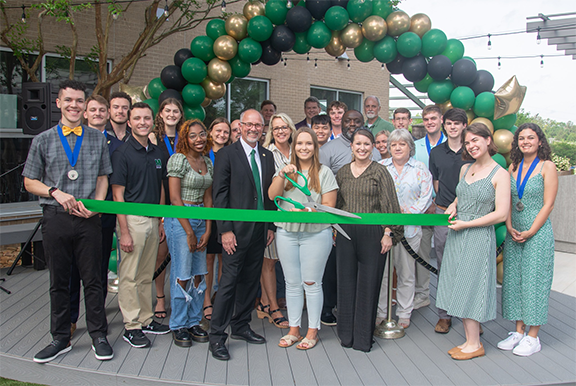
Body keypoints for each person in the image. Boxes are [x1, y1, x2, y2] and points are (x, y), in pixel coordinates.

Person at [23, 80, 113, 363]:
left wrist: (96, 208)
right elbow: (29, 181)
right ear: (59, 103)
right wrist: (55, 192)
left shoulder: (98, 138)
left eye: (78, 100)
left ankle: (99, 335)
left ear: (85, 106)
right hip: (56, 218)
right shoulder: (43, 139)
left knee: (94, 280)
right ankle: (60, 338)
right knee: (59, 281)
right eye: (68, 100)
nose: (74, 105)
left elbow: (103, 177)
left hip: (88, 220)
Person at [436, 122, 510, 360]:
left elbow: (501, 214)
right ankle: (469, 339)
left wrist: (467, 223)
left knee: (471, 285)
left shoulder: (500, 174)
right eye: (468, 142)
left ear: (488, 140)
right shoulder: (465, 169)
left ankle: (475, 343)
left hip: (478, 235)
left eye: (476, 140)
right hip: (458, 233)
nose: (471, 145)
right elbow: (461, 194)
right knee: (456, 284)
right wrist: (454, 204)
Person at [209, 109, 276, 361]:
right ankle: (216, 336)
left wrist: (270, 225)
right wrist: (225, 229)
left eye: (258, 125)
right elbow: (220, 194)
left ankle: (240, 326)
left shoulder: (267, 155)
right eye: (248, 124)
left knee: (250, 282)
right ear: (240, 126)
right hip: (234, 233)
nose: (253, 129)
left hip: (260, 232)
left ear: (263, 128)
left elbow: (268, 194)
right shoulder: (226, 154)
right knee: (228, 284)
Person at [269, 127, 338, 350]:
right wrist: (282, 175)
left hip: (316, 234)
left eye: (308, 144)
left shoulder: (324, 172)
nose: (304, 148)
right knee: (292, 283)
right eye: (299, 143)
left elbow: (329, 207)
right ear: (293, 146)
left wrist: (308, 213)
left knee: (311, 282)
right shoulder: (285, 170)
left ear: (315, 147)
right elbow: (272, 196)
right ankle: (294, 330)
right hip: (287, 232)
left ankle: (312, 331)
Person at [335, 128, 403, 352]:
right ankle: (346, 336)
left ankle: (363, 338)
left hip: (373, 235)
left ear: (373, 147)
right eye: (358, 144)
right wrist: (335, 229)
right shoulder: (343, 172)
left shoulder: (380, 172)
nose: (362, 148)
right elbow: (337, 206)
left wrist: (388, 233)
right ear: (351, 147)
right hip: (345, 234)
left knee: (368, 285)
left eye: (367, 144)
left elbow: (391, 206)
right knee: (345, 284)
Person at [111, 102, 171, 349]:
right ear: (129, 122)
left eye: (147, 118)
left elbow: (160, 188)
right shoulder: (122, 154)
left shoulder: (158, 153)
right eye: (137, 118)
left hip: (153, 218)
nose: (143, 122)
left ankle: (147, 319)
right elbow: (118, 195)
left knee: (146, 274)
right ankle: (132, 325)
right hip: (132, 220)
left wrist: (160, 220)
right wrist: (124, 231)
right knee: (130, 275)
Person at [498, 123, 558, 357]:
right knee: (514, 282)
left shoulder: (547, 167)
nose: (525, 142)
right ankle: (518, 332)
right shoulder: (513, 166)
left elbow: (548, 204)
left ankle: (533, 336)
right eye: (521, 138)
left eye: (530, 138)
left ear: (540, 141)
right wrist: (510, 225)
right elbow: (510, 200)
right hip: (515, 233)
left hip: (537, 233)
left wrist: (531, 230)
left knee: (534, 283)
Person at [318, 109, 381, 326]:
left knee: (364, 276)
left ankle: (361, 318)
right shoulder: (328, 150)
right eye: (348, 121)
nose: (352, 124)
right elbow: (323, 184)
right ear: (340, 123)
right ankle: (329, 309)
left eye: (357, 121)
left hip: (370, 229)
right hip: (340, 223)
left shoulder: (377, 159)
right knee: (335, 271)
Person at [67, 95, 123, 338]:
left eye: (102, 110)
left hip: (104, 213)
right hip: (74, 212)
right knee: (71, 269)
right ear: (85, 114)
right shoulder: (71, 140)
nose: (99, 113)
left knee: (99, 268)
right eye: (94, 110)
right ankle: (69, 318)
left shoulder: (116, 144)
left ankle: (96, 316)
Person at [377, 129, 433, 328]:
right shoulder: (380, 167)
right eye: (393, 144)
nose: (397, 148)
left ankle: (404, 313)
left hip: (410, 230)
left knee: (407, 273)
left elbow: (426, 197)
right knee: (383, 273)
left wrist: (407, 212)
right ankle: (382, 311)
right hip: (384, 231)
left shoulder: (420, 169)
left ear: (410, 147)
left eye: (402, 144)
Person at [164, 119, 213, 347]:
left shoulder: (206, 162)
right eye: (193, 135)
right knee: (182, 273)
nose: (198, 139)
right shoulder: (178, 160)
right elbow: (174, 199)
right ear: (185, 138)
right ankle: (178, 324)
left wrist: (208, 228)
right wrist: (189, 232)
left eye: (202, 134)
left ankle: (194, 320)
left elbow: (208, 198)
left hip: (202, 217)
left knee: (198, 273)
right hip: (181, 218)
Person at [428, 108, 471, 333]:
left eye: (458, 123)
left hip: (469, 215)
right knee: (444, 266)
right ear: (444, 125)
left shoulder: (472, 150)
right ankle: (444, 315)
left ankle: (470, 316)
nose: (453, 127)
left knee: (468, 267)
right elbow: (436, 183)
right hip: (443, 214)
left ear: (465, 126)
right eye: (450, 123)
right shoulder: (436, 152)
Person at [259, 113, 298, 328]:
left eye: (284, 127)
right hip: (275, 214)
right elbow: (266, 191)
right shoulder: (266, 154)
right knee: (269, 262)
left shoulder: (299, 151)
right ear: (271, 132)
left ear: (291, 129)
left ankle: (264, 303)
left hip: (298, 215)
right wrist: (270, 225)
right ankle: (273, 307)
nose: (280, 131)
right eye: (276, 128)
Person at [148, 98, 185, 320]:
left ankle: (181, 297)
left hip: (183, 200)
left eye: (176, 111)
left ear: (181, 114)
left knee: (182, 253)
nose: (172, 114)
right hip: (162, 199)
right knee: (161, 254)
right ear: (160, 113)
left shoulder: (184, 138)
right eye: (167, 110)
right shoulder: (153, 138)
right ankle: (160, 297)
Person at [412, 105, 446, 315]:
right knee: (423, 253)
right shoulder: (415, 146)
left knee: (445, 254)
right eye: (426, 119)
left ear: (441, 119)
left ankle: (445, 296)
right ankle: (422, 294)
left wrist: (438, 201)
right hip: (422, 208)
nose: (430, 122)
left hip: (444, 207)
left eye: (434, 118)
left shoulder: (450, 144)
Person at [203, 117, 232, 321]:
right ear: (210, 132)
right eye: (218, 131)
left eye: (226, 132)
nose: (222, 135)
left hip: (225, 211)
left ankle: (219, 297)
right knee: (208, 258)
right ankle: (205, 301)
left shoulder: (230, 154)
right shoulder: (203, 154)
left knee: (224, 256)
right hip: (205, 212)